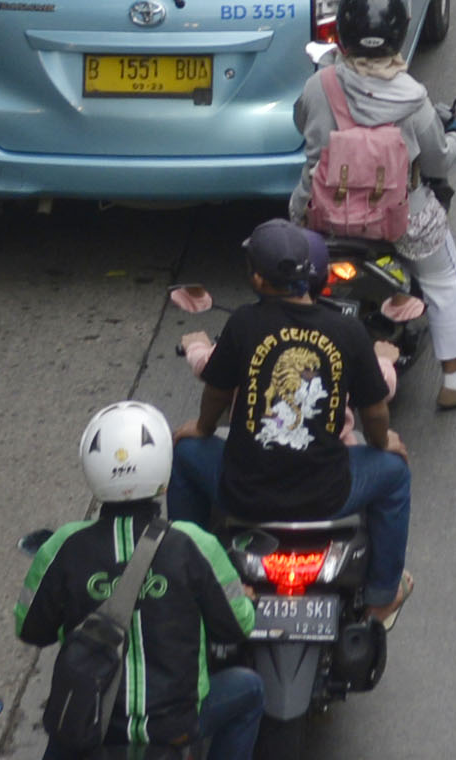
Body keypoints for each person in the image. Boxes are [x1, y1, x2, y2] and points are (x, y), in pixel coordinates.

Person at [165, 222, 409, 621]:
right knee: (395, 474)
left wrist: (203, 429)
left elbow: (217, 392)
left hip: (243, 494)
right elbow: (375, 409)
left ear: (258, 279)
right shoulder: (348, 331)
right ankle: (383, 594)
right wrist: (384, 444)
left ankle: (190, 582)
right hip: (329, 496)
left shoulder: (243, 323)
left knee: (185, 454)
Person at [17, 404, 261, 760]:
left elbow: (31, 629)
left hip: (89, 726)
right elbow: (237, 627)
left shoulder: (63, 546)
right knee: (250, 691)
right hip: (174, 728)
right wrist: (247, 600)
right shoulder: (194, 543)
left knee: (59, 736)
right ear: (163, 463)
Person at [292, 0, 456, 407]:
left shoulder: (319, 86)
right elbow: (438, 162)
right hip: (401, 219)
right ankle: (454, 381)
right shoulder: (413, 99)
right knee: (445, 277)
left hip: (321, 214)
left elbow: (302, 126)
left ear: (344, 33)